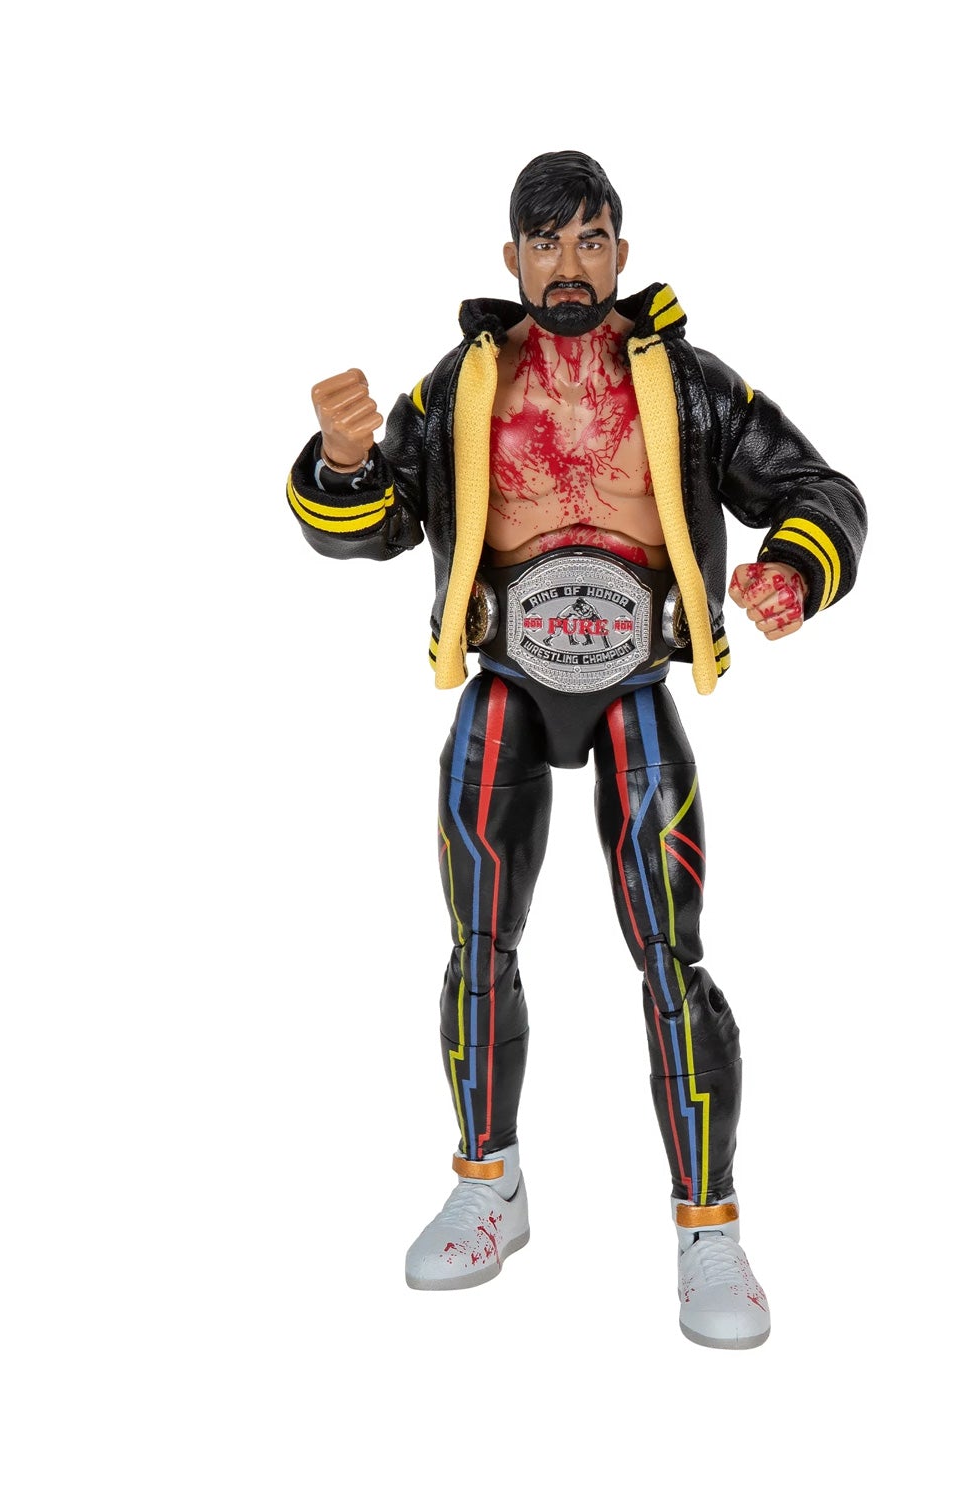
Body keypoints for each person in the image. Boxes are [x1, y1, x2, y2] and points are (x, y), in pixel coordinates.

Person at [287, 150, 866, 1349]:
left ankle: (709, 1227)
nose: (568, 267)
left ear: (620, 254)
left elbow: (821, 489)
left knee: (672, 957)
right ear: (511, 258)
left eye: (590, 242)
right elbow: (375, 525)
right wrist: (341, 463)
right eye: (546, 245)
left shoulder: (689, 386)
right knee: (477, 944)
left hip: (633, 690)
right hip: (505, 684)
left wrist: (795, 571)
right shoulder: (462, 385)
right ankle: (487, 1184)